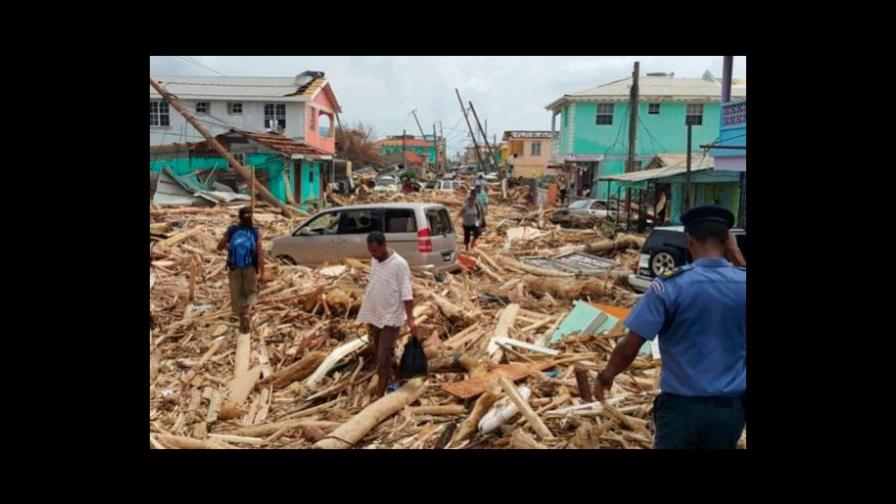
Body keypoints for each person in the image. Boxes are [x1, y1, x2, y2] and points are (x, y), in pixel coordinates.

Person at [593, 205, 746, 449]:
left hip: (681, 412)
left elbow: (630, 345)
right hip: (729, 412)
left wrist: (606, 376)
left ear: (689, 239)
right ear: (727, 240)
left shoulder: (670, 286)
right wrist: (737, 256)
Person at [355, 231, 417, 397]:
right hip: (375, 315)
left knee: (383, 359)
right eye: (370, 251)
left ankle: (379, 395)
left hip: (391, 317)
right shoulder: (375, 261)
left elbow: (407, 293)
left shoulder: (399, 264)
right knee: (382, 353)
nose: (373, 254)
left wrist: (410, 319)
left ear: (384, 246)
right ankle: (400, 377)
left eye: (375, 250)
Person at [217, 206, 264, 333]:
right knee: (251, 293)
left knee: (237, 295)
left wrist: (230, 249)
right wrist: (263, 272)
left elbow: (219, 246)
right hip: (250, 268)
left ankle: (241, 320)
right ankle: (247, 314)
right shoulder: (255, 232)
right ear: (251, 217)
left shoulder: (232, 230)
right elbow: (260, 253)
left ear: (239, 217)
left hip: (234, 268)